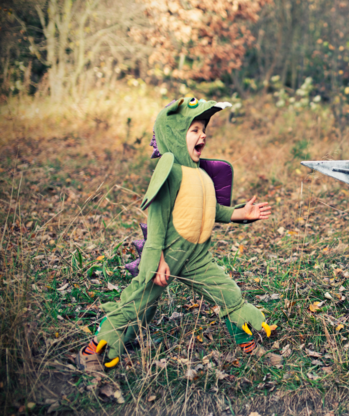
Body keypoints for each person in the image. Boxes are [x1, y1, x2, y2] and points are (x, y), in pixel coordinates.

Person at [78, 97, 272, 372]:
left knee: (229, 293)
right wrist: (157, 258)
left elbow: (208, 209)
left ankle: (248, 346)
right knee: (138, 303)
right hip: (166, 256)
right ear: (174, 134)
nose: (202, 134)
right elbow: (156, 221)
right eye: (194, 129)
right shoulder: (170, 172)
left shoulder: (202, 175)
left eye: (203, 129)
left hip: (197, 258)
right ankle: (93, 350)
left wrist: (239, 214)